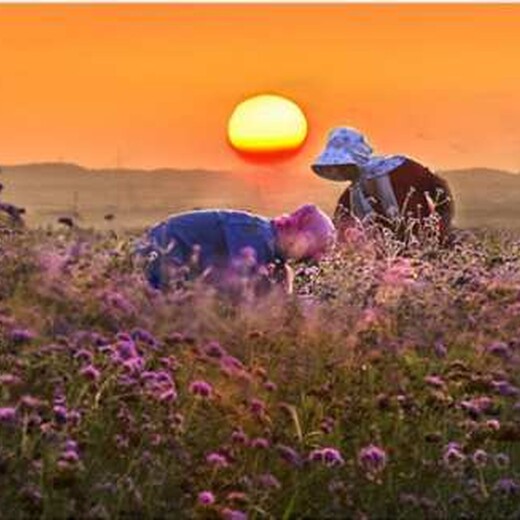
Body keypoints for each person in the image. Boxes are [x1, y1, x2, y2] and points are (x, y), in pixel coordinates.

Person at [134, 204, 336, 293]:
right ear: (296, 233)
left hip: (175, 256)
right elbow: (242, 286)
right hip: (164, 248)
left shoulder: (271, 248)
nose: (300, 260)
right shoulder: (257, 234)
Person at [311, 127, 454, 243]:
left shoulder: (403, 169)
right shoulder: (349, 198)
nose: (337, 171)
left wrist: (440, 227)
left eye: (341, 166)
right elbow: (341, 231)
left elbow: (440, 190)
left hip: (428, 249)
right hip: (387, 266)